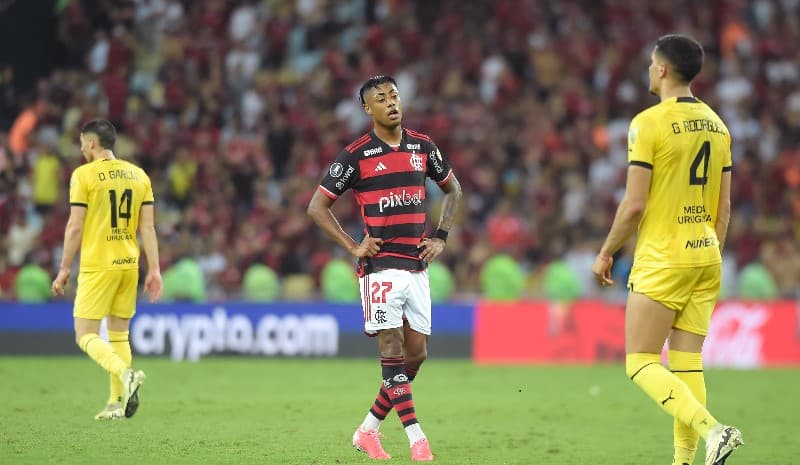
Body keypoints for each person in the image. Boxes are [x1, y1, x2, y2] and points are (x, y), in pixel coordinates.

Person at [591, 35, 742, 465]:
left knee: (639, 362)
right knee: (687, 364)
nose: (647, 70)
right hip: (707, 254)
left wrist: (607, 253)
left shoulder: (648, 122)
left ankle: (715, 430)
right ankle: (684, 462)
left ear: (661, 69)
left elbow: (634, 203)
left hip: (663, 257)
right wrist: (708, 253)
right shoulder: (719, 125)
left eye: (649, 63)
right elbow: (724, 207)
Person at [308, 75, 462, 461]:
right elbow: (316, 207)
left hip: (417, 264)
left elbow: (453, 189)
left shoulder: (422, 146)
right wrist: (352, 246)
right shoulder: (356, 155)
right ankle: (417, 439)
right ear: (368, 109)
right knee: (391, 349)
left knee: (417, 356)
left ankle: (367, 430)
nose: (391, 102)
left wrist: (441, 235)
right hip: (380, 268)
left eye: (394, 95)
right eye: (381, 98)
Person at [52, 119, 162, 420]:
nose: (80, 148)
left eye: (81, 142)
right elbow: (148, 227)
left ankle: (125, 375)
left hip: (99, 265)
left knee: (84, 334)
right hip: (129, 265)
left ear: (91, 143)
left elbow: (75, 226)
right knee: (118, 336)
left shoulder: (83, 175)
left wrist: (63, 268)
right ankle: (115, 403)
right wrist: (154, 270)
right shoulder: (139, 175)